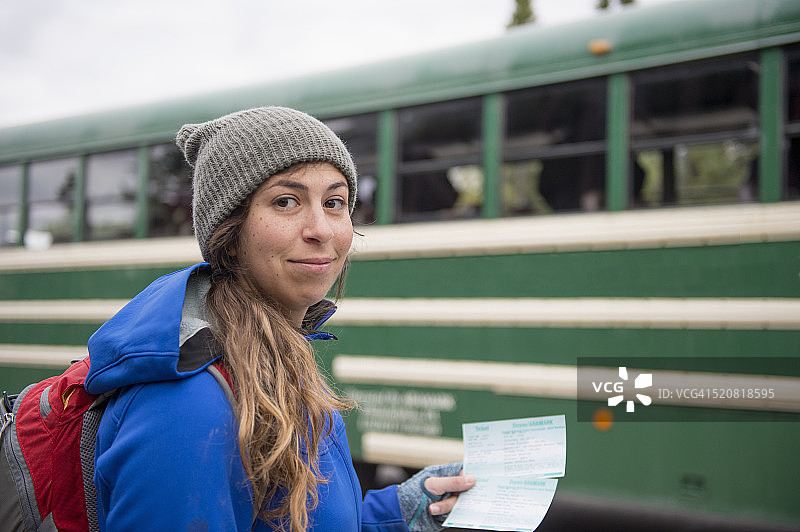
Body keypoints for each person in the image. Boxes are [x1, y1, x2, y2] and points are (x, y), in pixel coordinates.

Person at [84, 106, 474, 531]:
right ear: (229, 234)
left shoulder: (279, 363)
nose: (321, 229)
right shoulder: (190, 408)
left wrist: (402, 512)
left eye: (335, 202)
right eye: (286, 201)